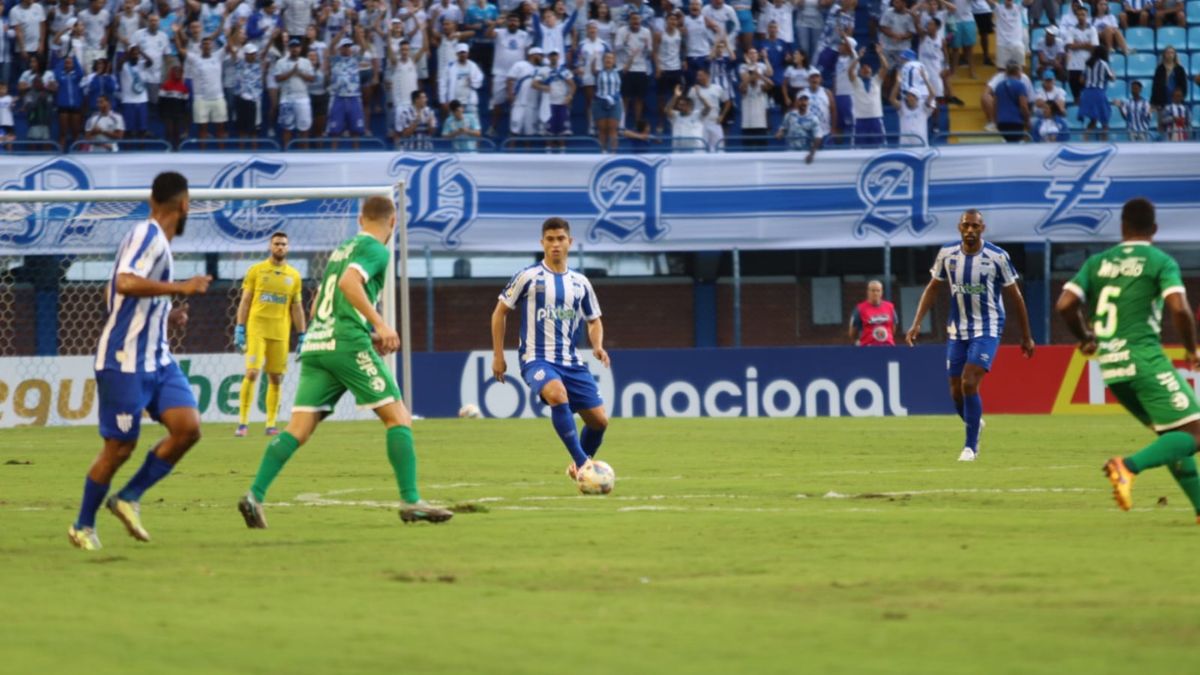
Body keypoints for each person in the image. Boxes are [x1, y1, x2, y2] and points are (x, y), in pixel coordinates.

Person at [239, 196, 453, 529]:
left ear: (359, 219)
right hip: (345, 344)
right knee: (399, 418)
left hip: (316, 344)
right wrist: (380, 325)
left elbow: (318, 305)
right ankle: (411, 501)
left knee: (298, 429)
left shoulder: (342, 250)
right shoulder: (376, 250)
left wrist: (361, 333)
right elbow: (348, 285)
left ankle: (254, 495)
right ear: (393, 222)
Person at [68, 172, 212, 551]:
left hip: (157, 358)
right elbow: (124, 283)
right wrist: (181, 287)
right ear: (184, 206)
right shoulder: (146, 235)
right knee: (119, 448)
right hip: (124, 360)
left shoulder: (157, 242)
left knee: (188, 427)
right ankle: (83, 525)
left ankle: (128, 497)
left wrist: (165, 313)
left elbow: (113, 291)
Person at [1055, 198, 1200, 521]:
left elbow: (1065, 304)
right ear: (1155, 229)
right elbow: (1179, 308)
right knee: (1195, 433)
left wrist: (1085, 338)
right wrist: (1192, 348)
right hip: (1144, 358)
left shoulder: (1098, 263)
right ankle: (1126, 467)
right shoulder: (1160, 261)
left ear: (1122, 227)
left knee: (1172, 435)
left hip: (1112, 366)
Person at [904, 209, 1036, 462]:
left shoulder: (997, 257)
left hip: (987, 327)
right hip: (958, 329)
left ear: (982, 228)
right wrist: (916, 323)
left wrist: (1026, 335)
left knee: (968, 382)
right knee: (955, 391)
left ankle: (970, 447)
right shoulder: (947, 254)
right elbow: (932, 289)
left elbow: (1016, 297)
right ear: (959, 228)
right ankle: (975, 422)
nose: (970, 230)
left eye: (975, 226)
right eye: (966, 226)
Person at [490, 218, 611, 483]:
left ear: (570, 242)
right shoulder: (528, 277)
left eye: (560, 239)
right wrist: (498, 355)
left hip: (571, 361)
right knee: (557, 394)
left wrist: (598, 345)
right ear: (542, 243)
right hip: (536, 359)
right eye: (550, 239)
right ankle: (583, 465)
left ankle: (579, 463)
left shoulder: (580, 283)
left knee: (599, 422)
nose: (555, 244)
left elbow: (594, 319)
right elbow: (500, 313)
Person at [233, 233, 306, 438]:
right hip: (257, 329)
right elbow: (245, 301)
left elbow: (297, 307)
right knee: (252, 372)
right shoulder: (256, 271)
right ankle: (243, 423)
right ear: (270, 246)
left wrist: (302, 335)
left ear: (288, 247)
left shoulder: (294, 276)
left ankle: (271, 424)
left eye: (283, 244)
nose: (280, 247)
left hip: (280, 332)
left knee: (276, 377)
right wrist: (240, 327)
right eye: (277, 244)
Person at [273, 36, 316, 146]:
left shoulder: (306, 62)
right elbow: (277, 78)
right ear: (289, 48)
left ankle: (304, 156)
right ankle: (287, 153)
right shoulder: (280, 62)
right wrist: (292, 72)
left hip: (302, 98)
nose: (294, 49)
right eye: (292, 47)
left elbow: (312, 78)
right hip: (286, 98)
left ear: (300, 48)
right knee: (287, 128)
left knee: (304, 128)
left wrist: (300, 73)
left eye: (296, 47)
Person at [847, 44, 888, 147]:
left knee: (880, 147)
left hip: (875, 118)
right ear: (860, 71)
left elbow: (885, 67)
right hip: (860, 119)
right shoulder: (856, 82)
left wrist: (880, 54)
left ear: (871, 70)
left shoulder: (876, 80)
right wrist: (858, 57)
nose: (865, 69)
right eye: (863, 68)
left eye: (868, 67)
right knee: (858, 148)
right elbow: (850, 71)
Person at [1078, 46, 1114, 141]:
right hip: (1098, 92)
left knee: (1093, 119)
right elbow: (1112, 78)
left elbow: (1081, 80)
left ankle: (1085, 138)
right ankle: (1104, 141)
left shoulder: (1088, 63)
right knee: (1104, 120)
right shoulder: (1104, 64)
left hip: (1087, 93)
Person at [689, 68, 730, 150]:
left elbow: (727, 102)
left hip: (714, 122)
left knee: (719, 148)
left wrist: (722, 116)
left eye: (700, 75)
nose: (698, 77)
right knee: (700, 149)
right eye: (697, 76)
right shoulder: (693, 90)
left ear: (707, 76)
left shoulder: (717, 88)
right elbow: (689, 106)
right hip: (699, 124)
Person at [738, 46, 771, 146]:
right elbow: (744, 79)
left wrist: (765, 59)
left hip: (761, 123)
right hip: (747, 124)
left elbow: (770, 73)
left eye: (755, 53)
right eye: (750, 53)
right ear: (747, 55)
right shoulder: (742, 67)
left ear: (758, 55)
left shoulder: (761, 66)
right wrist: (751, 69)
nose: (753, 55)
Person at [849, 280, 899, 346]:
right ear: (868, 292)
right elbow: (852, 333)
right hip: (868, 348)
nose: (875, 293)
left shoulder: (890, 307)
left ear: (882, 292)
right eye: (873, 290)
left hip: (888, 346)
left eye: (878, 290)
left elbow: (893, 328)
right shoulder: (860, 309)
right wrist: (858, 342)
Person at [774, 92, 820, 162]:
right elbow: (783, 128)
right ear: (797, 102)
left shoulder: (813, 118)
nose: (803, 102)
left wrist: (811, 154)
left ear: (808, 102)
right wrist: (780, 133)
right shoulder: (789, 115)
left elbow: (818, 137)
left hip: (805, 154)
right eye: (801, 100)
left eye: (805, 100)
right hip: (790, 153)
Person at [993, 61, 1030, 142]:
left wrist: (996, 121)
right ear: (1017, 71)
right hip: (1015, 122)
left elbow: (995, 106)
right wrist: (1027, 120)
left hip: (1002, 122)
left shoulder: (999, 86)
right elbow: (1023, 106)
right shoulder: (1020, 85)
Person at [592, 50, 621, 151]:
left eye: (611, 58)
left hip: (615, 102)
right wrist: (595, 58)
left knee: (613, 129)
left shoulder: (618, 72)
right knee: (602, 129)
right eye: (606, 58)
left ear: (614, 61)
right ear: (603, 60)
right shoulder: (598, 72)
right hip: (600, 102)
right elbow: (592, 68)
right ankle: (602, 152)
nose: (608, 60)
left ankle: (613, 153)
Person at [666, 83, 705, 150]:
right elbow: (667, 110)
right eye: (679, 105)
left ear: (689, 106)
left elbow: (708, 108)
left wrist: (699, 96)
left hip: (696, 151)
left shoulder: (697, 114)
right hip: (678, 152)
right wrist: (675, 96)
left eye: (682, 105)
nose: (679, 107)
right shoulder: (676, 115)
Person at [1150, 46, 1188, 111]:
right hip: (1162, 100)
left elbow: (1184, 86)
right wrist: (1153, 102)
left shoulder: (1180, 69)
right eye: (1167, 53)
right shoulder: (1159, 69)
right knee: (1163, 120)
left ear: (1175, 55)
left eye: (1172, 53)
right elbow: (1155, 86)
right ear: (1164, 55)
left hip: (1176, 99)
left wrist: (1180, 98)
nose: (1170, 54)